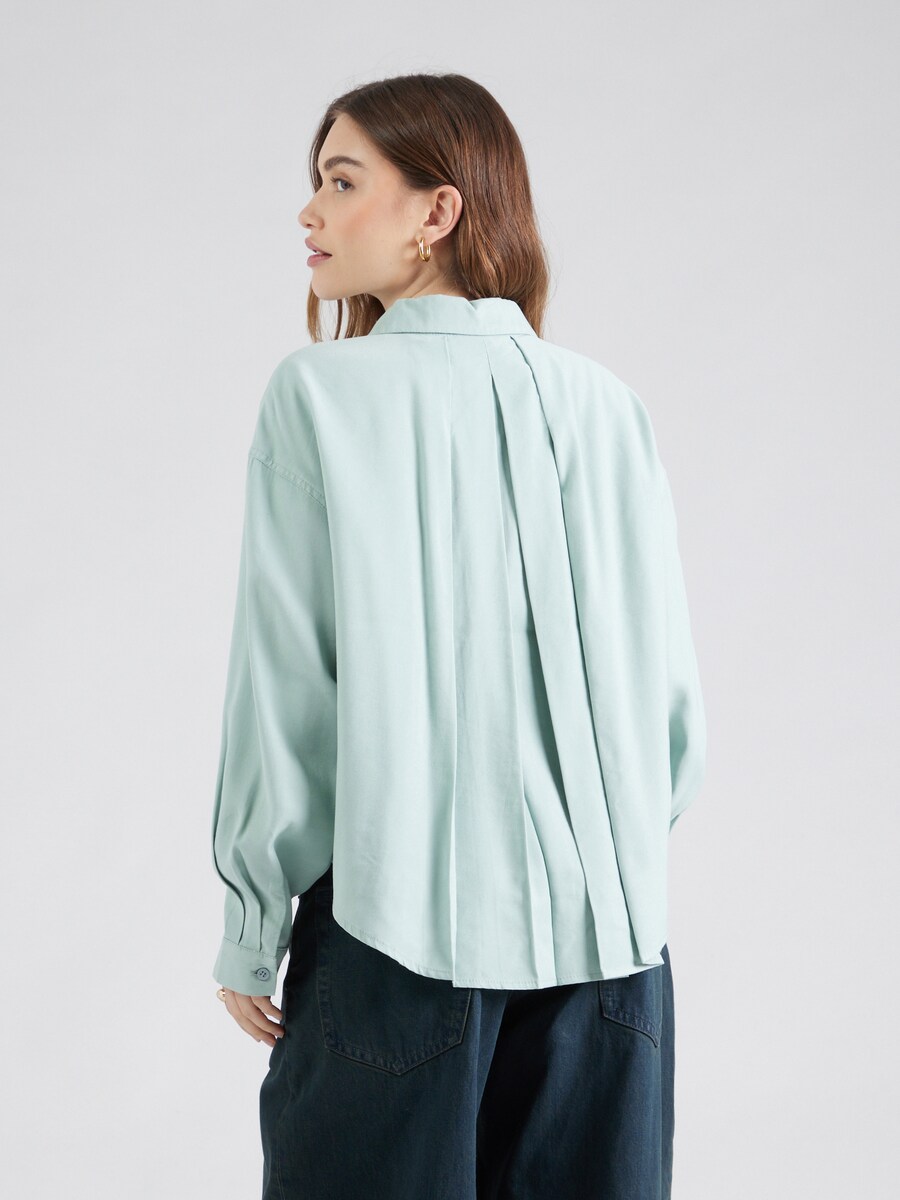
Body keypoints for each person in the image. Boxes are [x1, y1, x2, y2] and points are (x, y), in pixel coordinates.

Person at [210, 71, 706, 1200]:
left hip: (394, 939)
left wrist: (251, 918)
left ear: (438, 211)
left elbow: (290, 695)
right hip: (616, 965)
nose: (310, 212)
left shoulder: (320, 395)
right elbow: (670, 717)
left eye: (343, 182)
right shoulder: (608, 405)